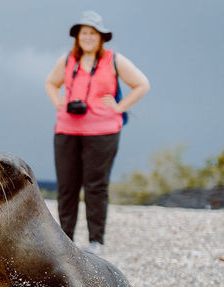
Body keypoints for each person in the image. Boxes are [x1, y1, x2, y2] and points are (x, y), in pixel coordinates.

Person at [45, 11, 149, 255]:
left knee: (95, 186)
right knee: (67, 187)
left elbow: (142, 84)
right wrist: (58, 103)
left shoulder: (114, 60)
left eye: (93, 33)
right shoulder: (68, 59)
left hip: (103, 131)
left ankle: (96, 242)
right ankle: (65, 240)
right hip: (67, 129)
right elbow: (51, 83)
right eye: (84, 33)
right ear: (77, 37)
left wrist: (120, 107)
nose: (88, 37)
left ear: (101, 37)